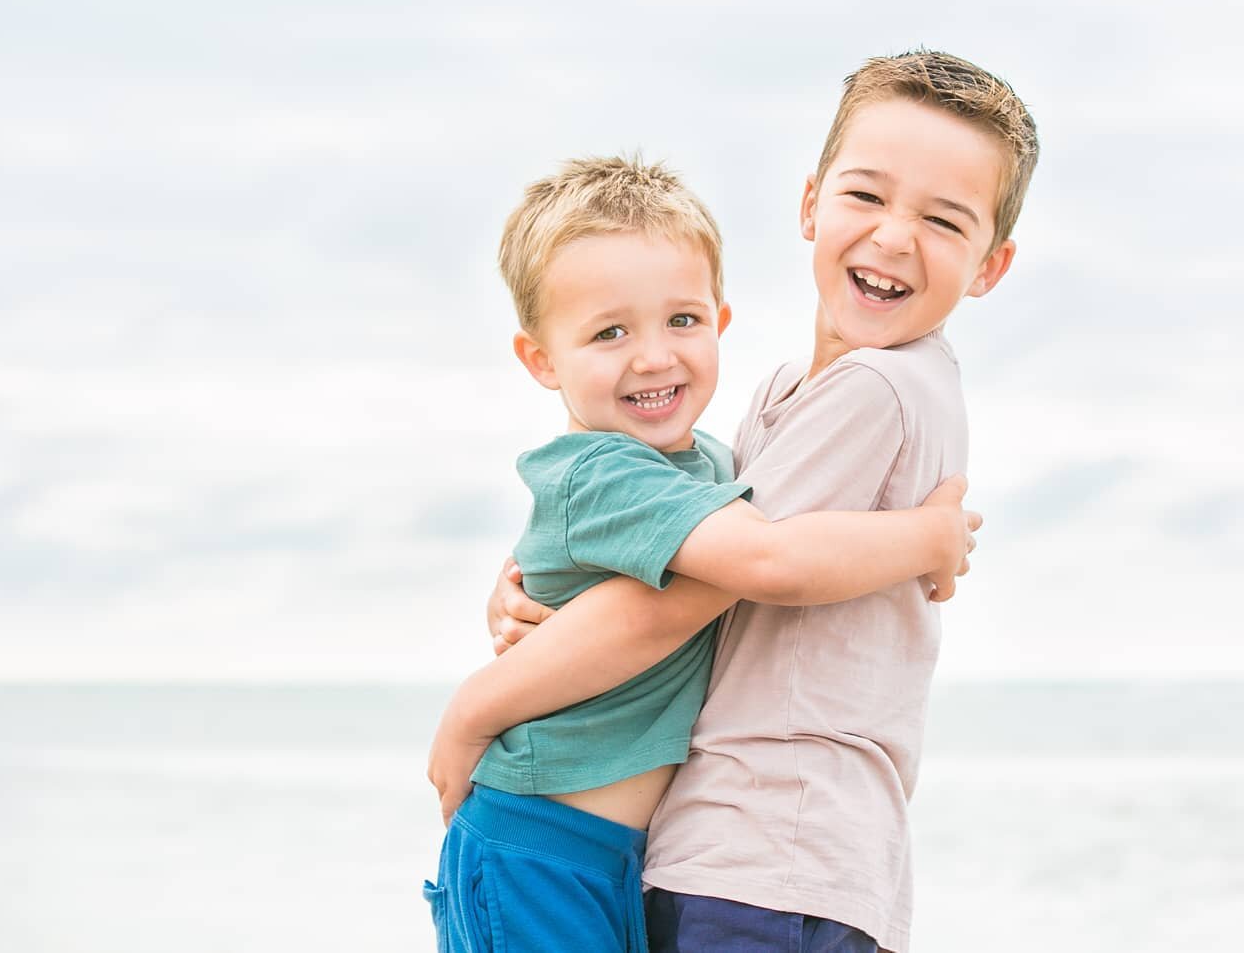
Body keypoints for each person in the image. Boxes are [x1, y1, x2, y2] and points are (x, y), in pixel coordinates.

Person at [429, 49, 1038, 953]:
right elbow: (732, 568)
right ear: (809, 203)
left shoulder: (847, 398)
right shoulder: (765, 411)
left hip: (735, 848)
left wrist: (481, 698)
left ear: (991, 263)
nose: (894, 236)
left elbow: (731, 570)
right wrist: (929, 533)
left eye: (942, 219)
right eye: (866, 197)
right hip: (562, 839)